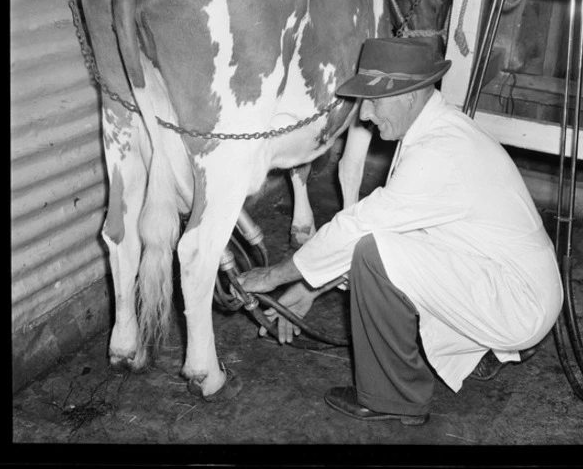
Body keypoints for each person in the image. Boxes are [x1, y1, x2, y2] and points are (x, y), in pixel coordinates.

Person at [237, 37, 563, 426]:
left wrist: (273, 276)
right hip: (514, 281)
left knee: (373, 255)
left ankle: (393, 398)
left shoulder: (438, 153)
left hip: (517, 302)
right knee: (388, 247)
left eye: (374, 102)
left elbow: (358, 231)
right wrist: (310, 287)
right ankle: (481, 347)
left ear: (410, 94)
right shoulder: (440, 129)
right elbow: (405, 235)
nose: (364, 116)